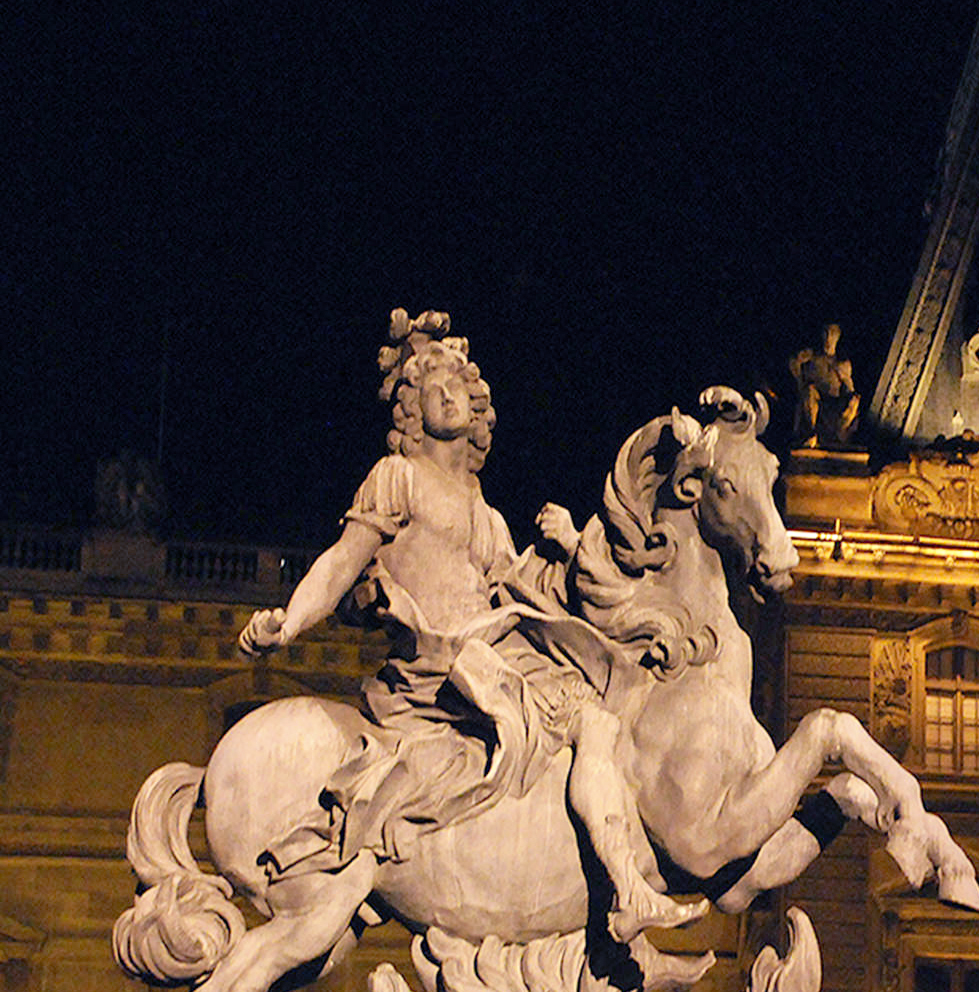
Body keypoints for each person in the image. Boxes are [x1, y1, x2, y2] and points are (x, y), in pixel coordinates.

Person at [239, 309, 700, 939]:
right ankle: (627, 888)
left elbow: (529, 589)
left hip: (498, 646)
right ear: (411, 410)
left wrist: (568, 544)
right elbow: (342, 562)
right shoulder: (398, 478)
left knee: (608, 699)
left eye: (460, 386)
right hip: (444, 661)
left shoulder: (487, 515)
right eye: (434, 388)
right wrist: (288, 623)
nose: (450, 395)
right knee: (594, 721)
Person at [789, 323, 860, 447]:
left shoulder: (842, 364)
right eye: (826, 334)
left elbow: (849, 387)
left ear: (837, 338)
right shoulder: (813, 357)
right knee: (810, 391)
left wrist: (853, 397)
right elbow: (793, 362)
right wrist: (800, 380)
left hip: (833, 402)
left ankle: (840, 435)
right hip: (815, 398)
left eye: (832, 335)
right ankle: (811, 432)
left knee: (853, 403)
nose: (828, 339)